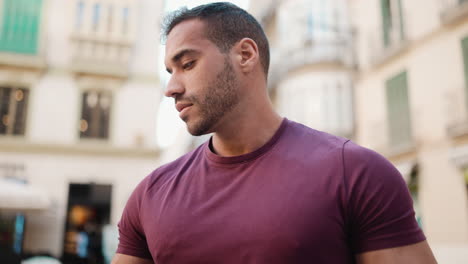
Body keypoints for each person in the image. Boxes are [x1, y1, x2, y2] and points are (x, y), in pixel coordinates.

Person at [112, 2, 437, 264]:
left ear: (245, 55)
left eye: (187, 64)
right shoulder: (150, 195)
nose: (171, 87)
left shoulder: (356, 173)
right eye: (169, 71)